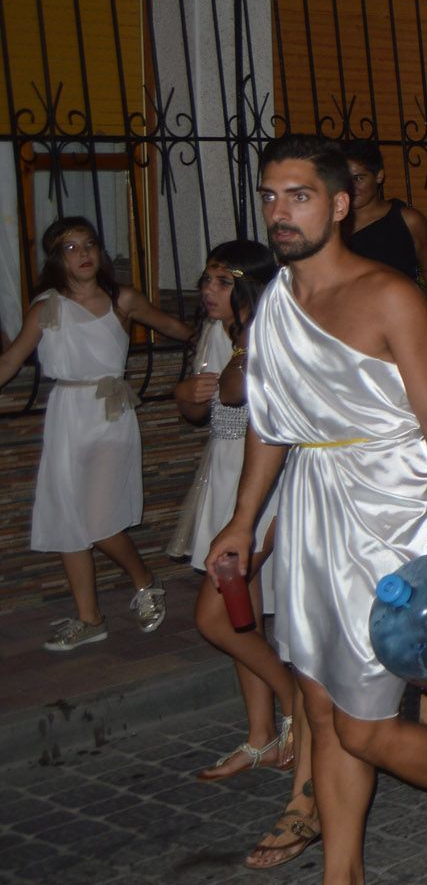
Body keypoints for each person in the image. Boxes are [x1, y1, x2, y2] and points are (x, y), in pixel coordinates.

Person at [205, 134, 427, 885]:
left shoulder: (390, 296)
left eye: (298, 195)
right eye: (270, 196)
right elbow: (272, 426)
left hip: (393, 516)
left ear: (339, 204)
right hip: (312, 510)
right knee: (320, 705)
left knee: (366, 725)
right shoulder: (272, 300)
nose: (281, 212)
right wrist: (243, 520)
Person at [0, 216, 195, 651]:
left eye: (89, 244)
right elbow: (11, 361)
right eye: (71, 247)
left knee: (100, 521)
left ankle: (145, 581)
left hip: (110, 413)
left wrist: (219, 336)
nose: (84, 253)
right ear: (57, 258)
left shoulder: (121, 298)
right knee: (67, 518)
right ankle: (90, 619)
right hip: (67, 415)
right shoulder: (46, 307)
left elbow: (175, 327)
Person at [170, 242, 294, 775]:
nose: (208, 292)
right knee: (245, 621)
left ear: (249, 287)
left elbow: (243, 392)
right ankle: (260, 735)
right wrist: (188, 395)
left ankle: (299, 703)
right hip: (221, 480)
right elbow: (199, 410)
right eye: (206, 280)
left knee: (214, 617)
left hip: (263, 489)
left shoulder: (270, 334)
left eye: (222, 282)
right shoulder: (215, 335)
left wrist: (235, 359)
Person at [338, 138, 427, 325]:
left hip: (399, 323)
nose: (351, 187)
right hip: (346, 327)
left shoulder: (408, 220)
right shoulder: (331, 222)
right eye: (344, 179)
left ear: (379, 176)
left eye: (358, 178)